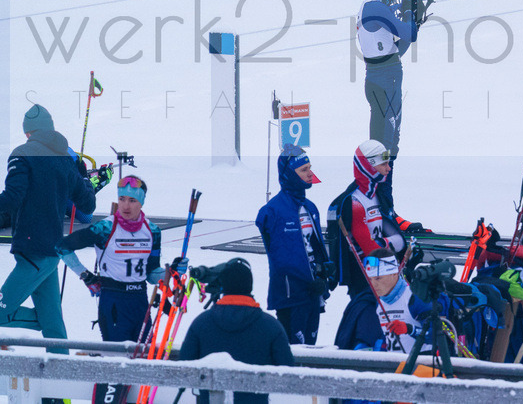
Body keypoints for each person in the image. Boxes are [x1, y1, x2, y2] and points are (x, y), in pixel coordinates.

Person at [0, 104, 96, 351]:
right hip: (51, 253)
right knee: (54, 327)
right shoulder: (65, 159)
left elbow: (12, 197)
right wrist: (82, 175)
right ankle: (61, 382)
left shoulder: (22, 153)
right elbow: (88, 204)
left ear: (28, 132)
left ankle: (59, 376)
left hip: (33, 253)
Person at [357, 0, 434, 196]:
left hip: (387, 75)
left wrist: (414, 18)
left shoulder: (376, 4)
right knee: (383, 145)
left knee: (390, 143)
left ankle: (384, 203)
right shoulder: (375, 7)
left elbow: (395, 50)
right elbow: (407, 33)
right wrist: (410, 10)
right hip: (384, 80)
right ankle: (377, 202)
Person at [58, 175, 165, 341]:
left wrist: (170, 273)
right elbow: (62, 247)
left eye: (132, 200)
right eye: (122, 199)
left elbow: (151, 273)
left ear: (141, 202)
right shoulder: (105, 228)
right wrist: (86, 276)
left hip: (140, 301)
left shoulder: (153, 231)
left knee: (144, 358)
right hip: (113, 300)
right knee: (116, 358)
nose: (125, 206)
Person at [179, 258, 294, 404]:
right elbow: (288, 373)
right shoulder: (271, 326)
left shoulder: (201, 323)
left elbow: (183, 368)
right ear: (250, 286)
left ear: (223, 286)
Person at [327, 140, 423, 300]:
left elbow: (398, 239)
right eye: (383, 164)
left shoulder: (378, 195)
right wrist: (389, 243)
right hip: (365, 279)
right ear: (368, 166)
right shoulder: (354, 201)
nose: (388, 168)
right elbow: (370, 248)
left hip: (386, 275)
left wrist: (388, 243)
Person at [256, 144, 332, 345]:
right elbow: (281, 259)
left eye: (310, 168)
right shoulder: (272, 211)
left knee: (311, 351)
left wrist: (325, 270)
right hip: (290, 295)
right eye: (304, 170)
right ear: (290, 173)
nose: (310, 174)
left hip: (313, 293)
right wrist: (309, 282)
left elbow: (315, 248)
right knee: (294, 351)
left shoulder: (310, 207)